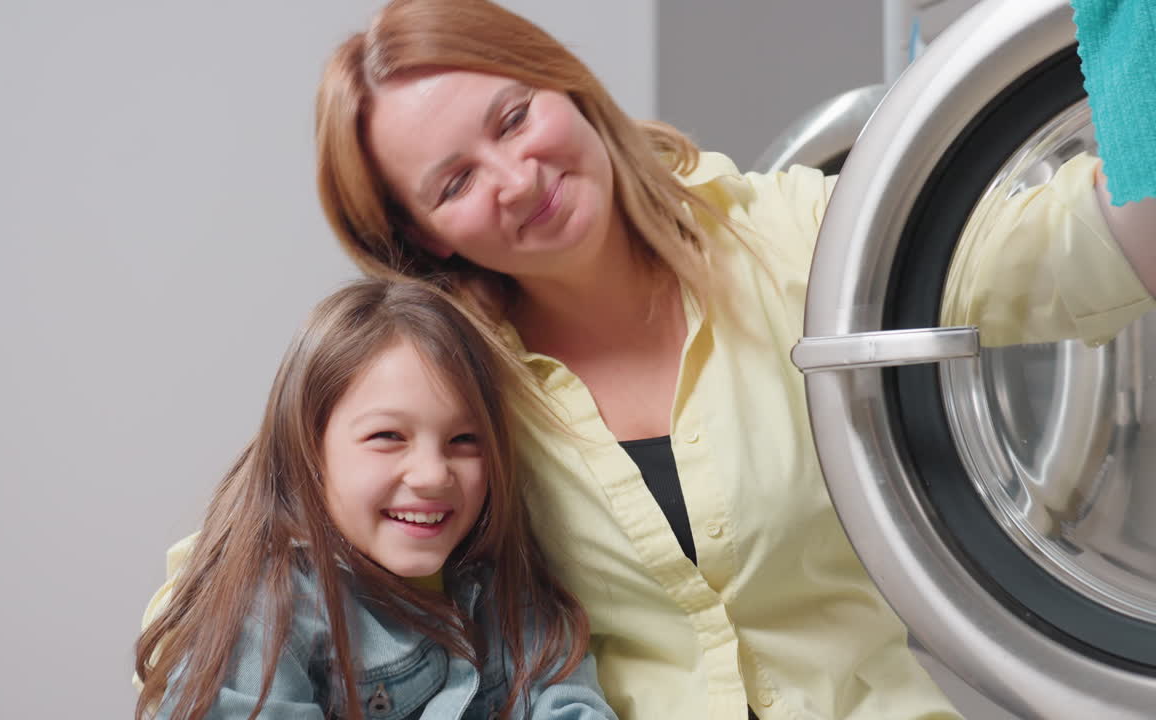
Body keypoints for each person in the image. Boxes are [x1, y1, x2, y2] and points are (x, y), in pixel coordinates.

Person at [300, 2, 1156, 719]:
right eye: (454, 184)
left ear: (562, 81)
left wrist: (1132, 36)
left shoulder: (798, 240)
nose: (516, 180)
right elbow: (279, 543)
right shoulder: (449, 379)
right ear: (419, 235)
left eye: (515, 117)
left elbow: (1070, 252)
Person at [133, 279, 619, 720]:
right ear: (309, 447)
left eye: (465, 440)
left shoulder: (503, 585)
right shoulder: (268, 608)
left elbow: (568, 703)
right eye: (388, 435)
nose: (432, 474)